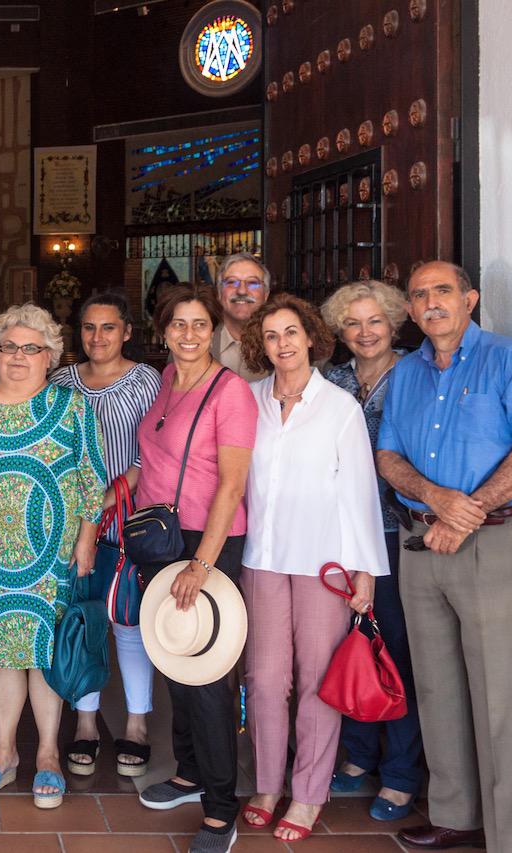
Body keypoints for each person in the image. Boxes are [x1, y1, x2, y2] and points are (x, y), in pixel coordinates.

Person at [0, 303, 106, 811]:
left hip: (52, 551)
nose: (18, 356)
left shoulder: (71, 407)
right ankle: (5, 750)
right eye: (9, 347)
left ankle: (48, 754)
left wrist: (87, 537)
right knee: (6, 653)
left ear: (50, 357)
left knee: (45, 653)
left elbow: (92, 477)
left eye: (32, 348)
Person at [237, 293, 388, 842]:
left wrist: (366, 570)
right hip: (263, 559)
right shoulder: (247, 399)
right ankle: (268, 784)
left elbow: (359, 494)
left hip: (324, 562)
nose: (282, 344)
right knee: (265, 677)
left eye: (291, 333)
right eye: (272, 335)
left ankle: (308, 794)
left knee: (318, 682)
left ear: (310, 338)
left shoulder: (339, 407)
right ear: (261, 344)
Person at [376, 261, 512, 851]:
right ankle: (456, 814)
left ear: (470, 299)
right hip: (420, 543)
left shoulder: (504, 358)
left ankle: (507, 831)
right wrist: (436, 500)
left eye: (443, 291)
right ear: (408, 310)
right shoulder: (405, 373)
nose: (431, 303)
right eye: (419, 295)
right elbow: (387, 456)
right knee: (436, 685)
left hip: (491, 544)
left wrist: (471, 511)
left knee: (499, 691)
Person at [133, 284, 257, 853]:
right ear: (164, 331)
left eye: (199, 325)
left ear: (215, 330)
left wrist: (202, 563)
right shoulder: (164, 380)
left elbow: (232, 485)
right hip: (161, 539)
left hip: (209, 542)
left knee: (208, 676)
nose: (188, 335)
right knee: (172, 656)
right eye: (178, 325)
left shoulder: (229, 392)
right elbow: (151, 460)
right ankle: (188, 773)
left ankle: (221, 809)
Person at [321, 281, 423, 822]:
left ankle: (403, 774)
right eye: (353, 324)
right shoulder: (331, 379)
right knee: (351, 643)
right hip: (338, 534)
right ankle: (360, 756)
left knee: (392, 650)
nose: (364, 333)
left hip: (392, 534)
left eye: (375, 321)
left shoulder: (415, 373)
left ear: (393, 323)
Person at [52, 291, 161, 778]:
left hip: (125, 517)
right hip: (71, 521)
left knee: (129, 624)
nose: (98, 337)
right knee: (82, 618)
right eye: (90, 328)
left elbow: (153, 451)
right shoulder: (60, 381)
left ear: (127, 332)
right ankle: (87, 722)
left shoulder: (147, 382)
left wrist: (111, 495)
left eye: (109, 328)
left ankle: (137, 725)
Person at [212, 252, 270, 382]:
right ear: (219, 294)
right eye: (232, 282)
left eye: (252, 283)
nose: (242, 291)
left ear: (266, 294)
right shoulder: (197, 345)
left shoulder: (283, 345)